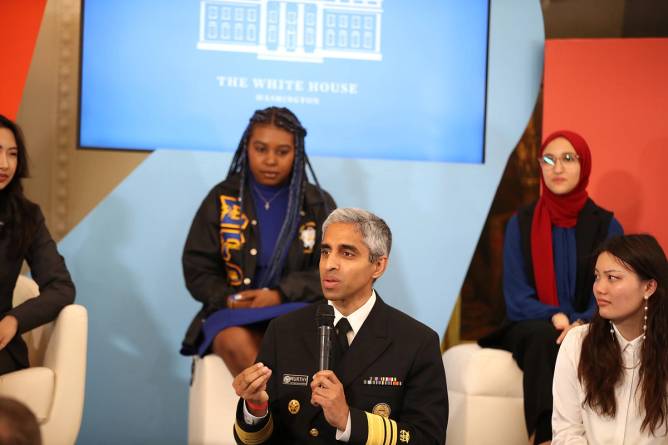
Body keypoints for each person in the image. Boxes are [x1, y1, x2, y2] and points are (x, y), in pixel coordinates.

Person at [232, 208, 448, 444]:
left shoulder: (416, 342)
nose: (329, 264)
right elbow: (254, 441)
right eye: (325, 252)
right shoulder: (283, 330)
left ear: (378, 265)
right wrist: (255, 406)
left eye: (347, 253)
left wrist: (348, 420)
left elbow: (428, 439)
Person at [479, 130, 623, 445]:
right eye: (549, 159)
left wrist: (582, 322)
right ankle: (545, 438)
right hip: (532, 323)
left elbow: (613, 289)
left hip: (591, 320)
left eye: (568, 159)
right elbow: (516, 296)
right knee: (544, 339)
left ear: (583, 166)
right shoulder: (522, 221)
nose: (557, 167)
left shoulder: (606, 225)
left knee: (587, 341)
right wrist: (556, 316)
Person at [181, 107, 336, 376]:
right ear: (247, 148)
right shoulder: (222, 198)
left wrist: (279, 294)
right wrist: (229, 299)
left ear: (297, 153)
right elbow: (197, 267)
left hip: (296, 311)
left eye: (282, 151)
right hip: (233, 311)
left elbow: (331, 268)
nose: (271, 160)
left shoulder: (316, 203)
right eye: (261, 149)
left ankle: (280, 414)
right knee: (233, 340)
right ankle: (275, 414)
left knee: (304, 340)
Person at [553, 234, 668, 444]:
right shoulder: (577, 344)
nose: (599, 288)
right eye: (597, 276)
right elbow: (567, 433)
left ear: (649, 287)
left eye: (612, 278)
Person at [0, 115, 75, 375]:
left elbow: (60, 287)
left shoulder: (25, 216)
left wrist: (14, 320)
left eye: (12, 154)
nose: (4, 164)